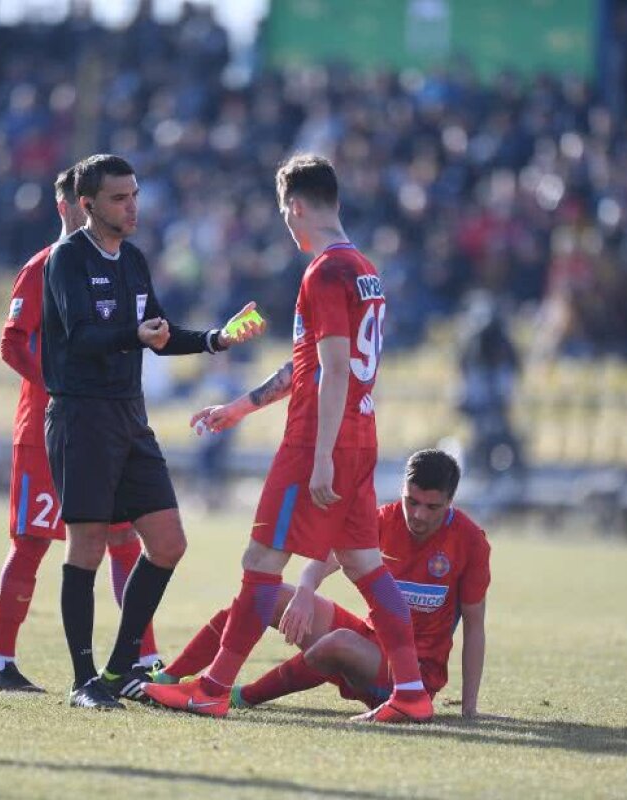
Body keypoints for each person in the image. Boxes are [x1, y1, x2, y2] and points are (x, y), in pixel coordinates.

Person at [144, 154, 433, 723]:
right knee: (366, 566)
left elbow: (334, 370)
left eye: (284, 214)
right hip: (359, 436)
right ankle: (411, 692)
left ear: (296, 207)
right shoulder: (364, 270)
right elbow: (310, 364)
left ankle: (212, 689)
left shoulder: (324, 272)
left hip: (317, 442)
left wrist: (321, 456)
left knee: (261, 562)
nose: (286, 225)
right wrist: (241, 407)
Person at [41, 153, 263, 709]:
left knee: (168, 543)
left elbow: (157, 333)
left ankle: (120, 669)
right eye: (119, 198)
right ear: (88, 205)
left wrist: (214, 339)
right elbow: (82, 335)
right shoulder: (67, 258)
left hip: (128, 416)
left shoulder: (134, 260)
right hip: (82, 416)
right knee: (86, 546)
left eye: (135, 195)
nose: (132, 206)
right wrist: (134, 335)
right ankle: (83, 680)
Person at [0, 165, 163, 693]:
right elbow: (11, 342)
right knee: (32, 543)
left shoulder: (115, 264)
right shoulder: (44, 265)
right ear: (69, 206)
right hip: (50, 430)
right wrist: (62, 383)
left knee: (124, 539)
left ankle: (143, 661)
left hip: (106, 428)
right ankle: (1, 664)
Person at [156, 449, 490, 717]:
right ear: (402, 490)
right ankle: (170, 676)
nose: (418, 515)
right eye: (411, 502)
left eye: (432, 507)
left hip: (414, 672)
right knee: (267, 595)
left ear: (450, 501)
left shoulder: (470, 541)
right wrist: (304, 591)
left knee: (339, 643)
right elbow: (324, 558)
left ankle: (241, 696)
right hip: (371, 638)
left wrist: (469, 708)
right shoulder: (383, 519)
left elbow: (474, 626)